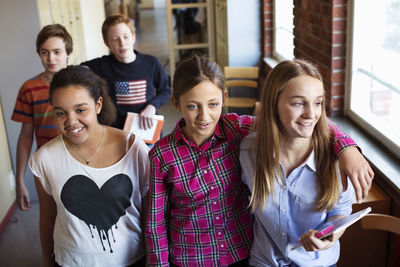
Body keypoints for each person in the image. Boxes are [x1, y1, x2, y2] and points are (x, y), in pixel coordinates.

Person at [145, 55, 373, 266]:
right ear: (176, 103)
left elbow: (308, 122)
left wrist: (347, 147)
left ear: (223, 99)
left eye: (213, 104)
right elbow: (155, 224)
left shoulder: (236, 128)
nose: (204, 116)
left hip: (240, 252)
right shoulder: (164, 156)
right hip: (193, 257)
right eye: (193, 106)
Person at [29, 66, 149, 267]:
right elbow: (48, 218)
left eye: (81, 110)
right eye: (61, 113)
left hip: (132, 259)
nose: (71, 121)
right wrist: (46, 262)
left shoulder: (132, 147)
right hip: (70, 262)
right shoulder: (44, 159)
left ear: (98, 105)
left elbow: (148, 211)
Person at [240, 59, 355, 267]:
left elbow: (341, 210)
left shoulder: (335, 157)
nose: (311, 114)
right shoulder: (248, 150)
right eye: (299, 103)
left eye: (318, 102)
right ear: (274, 103)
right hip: (264, 261)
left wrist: (329, 237)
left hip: (318, 263)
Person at [11, 24, 72, 211]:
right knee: (51, 216)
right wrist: (20, 181)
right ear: (38, 53)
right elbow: (26, 136)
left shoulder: (81, 83)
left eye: (57, 51)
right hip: (48, 165)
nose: (51, 58)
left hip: (80, 159)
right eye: (45, 52)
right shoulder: (29, 88)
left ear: (68, 52)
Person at [82, 14, 171, 130]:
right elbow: (78, 70)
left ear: (133, 37)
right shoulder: (102, 65)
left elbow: (165, 90)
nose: (122, 43)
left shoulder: (151, 63)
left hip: (146, 127)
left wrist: (152, 106)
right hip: (117, 130)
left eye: (126, 37)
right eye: (115, 39)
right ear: (107, 43)